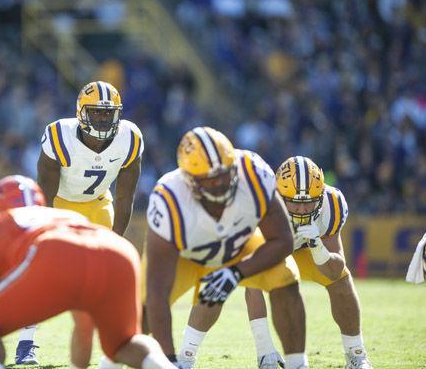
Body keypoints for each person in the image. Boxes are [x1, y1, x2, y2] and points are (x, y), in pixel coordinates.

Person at [0, 175, 174, 369]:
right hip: (118, 250)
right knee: (124, 343)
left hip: (54, 250)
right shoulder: (61, 217)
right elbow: (83, 326)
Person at [146, 127, 309, 369]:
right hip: (188, 256)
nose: (220, 183)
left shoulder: (253, 173)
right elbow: (157, 290)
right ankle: (128, 362)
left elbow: (283, 240)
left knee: (284, 275)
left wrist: (236, 272)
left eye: (224, 173)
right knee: (139, 309)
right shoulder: (169, 198)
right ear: (190, 180)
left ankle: (298, 364)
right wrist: (169, 362)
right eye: (210, 179)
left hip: (240, 246)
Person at [14, 81, 143, 366]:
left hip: (99, 204)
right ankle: (25, 344)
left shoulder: (130, 138)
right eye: (96, 112)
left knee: (116, 271)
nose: (102, 119)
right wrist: (43, 231)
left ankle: (122, 342)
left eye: (107, 114)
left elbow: (125, 197)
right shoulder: (59, 136)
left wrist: (116, 241)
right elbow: (44, 192)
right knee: (42, 272)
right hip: (59, 204)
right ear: (81, 112)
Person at [243, 156, 372, 369]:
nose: (302, 210)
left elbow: (335, 269)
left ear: (320, 196)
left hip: (310, 252)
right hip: (276, 251)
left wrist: (318, 247)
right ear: (279, 196)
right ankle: (266, 354)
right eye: (294, 202)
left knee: (341, 279)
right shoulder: (261, 204)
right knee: (254, 278)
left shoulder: (332, 203)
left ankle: (356, 354)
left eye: (309, 201)